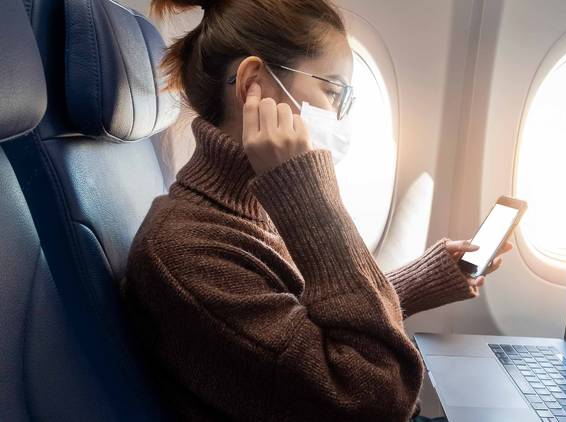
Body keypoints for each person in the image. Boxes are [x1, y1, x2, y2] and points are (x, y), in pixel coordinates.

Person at [123, 0, 512, 420]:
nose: (339, 117)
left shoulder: (245, 209)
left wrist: (426, 278)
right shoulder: (185, 252)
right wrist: (308, 192)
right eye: (332, 91)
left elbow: (307, 325)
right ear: (254, 84)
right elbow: (379, 393)